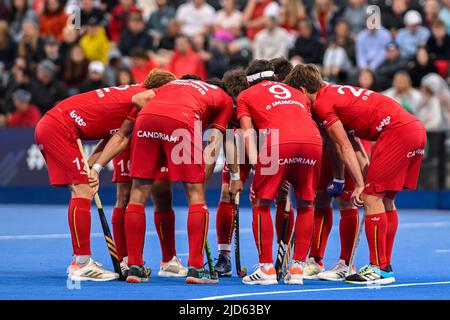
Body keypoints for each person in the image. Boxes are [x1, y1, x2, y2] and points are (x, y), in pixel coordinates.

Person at [288, 64, 426, 284]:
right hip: (414, 128)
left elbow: (342, 146)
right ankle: (384, 265)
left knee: (372, 198)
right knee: (386, 200)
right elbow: (354, 144)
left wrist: (361, 184)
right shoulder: (332, 93)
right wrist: (354, 177)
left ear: (303, 90)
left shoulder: (322, 104)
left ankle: (379, 268)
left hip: (396, 131)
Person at [34, 69, 173, 282]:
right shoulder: (146, 99)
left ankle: (81, 260)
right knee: (82, 190)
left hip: (53, 124)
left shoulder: (133, 93)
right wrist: (97, 169)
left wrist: (91, 167)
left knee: (82, 186)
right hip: (60, 128)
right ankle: (81, 263)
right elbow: (122, 137)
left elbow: (110, 137)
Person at [109, 77, 234, 284]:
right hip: (182, 120)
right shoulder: (224, 99)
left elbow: (140, 98)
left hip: (146, 118)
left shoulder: (173, 84)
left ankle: (135, 267)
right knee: (195, 194)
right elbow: (213, 145)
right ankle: (196, 268)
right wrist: (201, 181)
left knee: (138, 191)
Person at [226, 60, 323, 285]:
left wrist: (256, 166)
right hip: (313, 142)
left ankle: (266, 269)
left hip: (280, 143)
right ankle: (297, 269)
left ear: (249, 82)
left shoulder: (246, 96)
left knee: (260, 202)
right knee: (306, 204)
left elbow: (248, 133)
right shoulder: (296, 92)